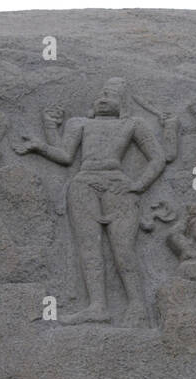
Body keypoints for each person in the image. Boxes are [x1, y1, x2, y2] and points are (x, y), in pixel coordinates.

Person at [14, 79, 166, 325]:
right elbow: (65, 155)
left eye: (112, 95)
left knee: (123, 249)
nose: (104, 98)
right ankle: (97, 307)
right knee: (89, 247)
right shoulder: (80, 124)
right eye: (101, 94)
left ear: (123, 104)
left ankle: (137, 306)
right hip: (83, 184)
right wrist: (42, 140)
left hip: (118, 185)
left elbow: (158, 158)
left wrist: (138, 185)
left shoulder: (133, 124)